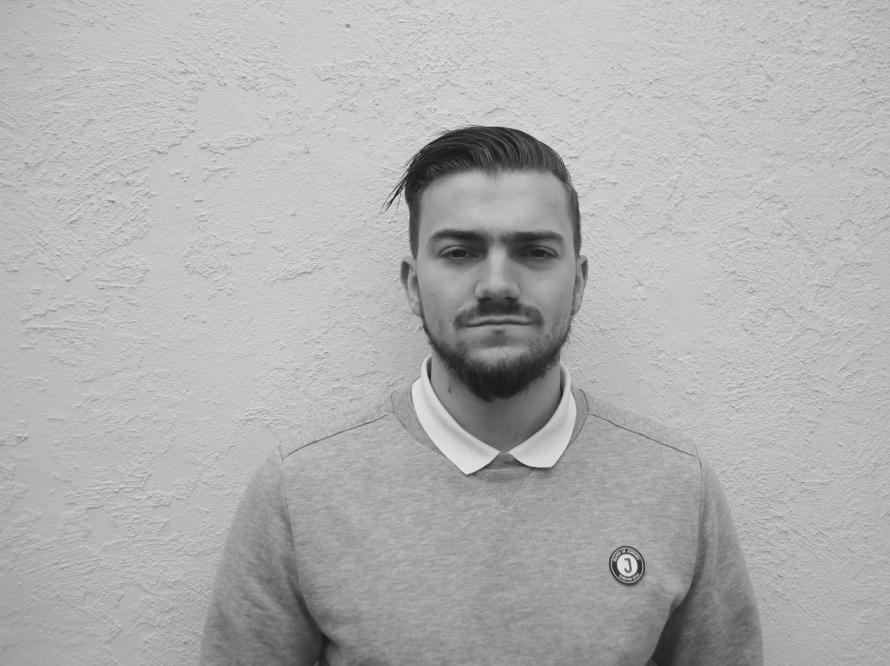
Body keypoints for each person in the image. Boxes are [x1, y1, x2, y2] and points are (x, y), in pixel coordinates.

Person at [200, 126, 763, 665]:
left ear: (578, 282)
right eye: (459, 252)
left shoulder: (674, 484)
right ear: (413, 285)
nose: (497, 285)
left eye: (535, 251)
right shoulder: (301, 489)